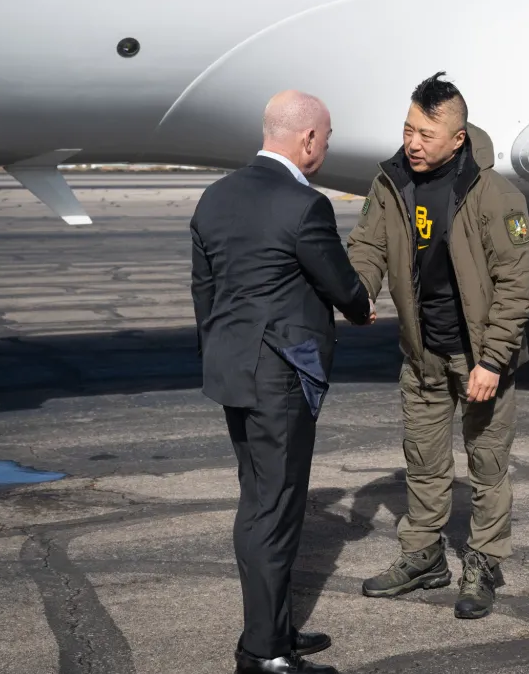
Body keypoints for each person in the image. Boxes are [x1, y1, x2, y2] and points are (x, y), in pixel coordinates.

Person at [191, 90, 373, 674]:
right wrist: (361, 305)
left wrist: (222, 352)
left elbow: (205, 293)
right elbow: (342, 286)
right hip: (281, 376)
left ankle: (274, 631)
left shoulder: (214, 198)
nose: (324, 149)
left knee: (258, 499)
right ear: (309, 140)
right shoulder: (304, 205)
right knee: (274, 508)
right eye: (326, 139)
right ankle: (264, 654)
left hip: (233, 371)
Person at [346, 71, 529, 619]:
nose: (412, 142)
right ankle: (423, 555)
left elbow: (518, 285)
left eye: (426, 134)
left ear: (457, 139)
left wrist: (494, 361)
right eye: (408, 129)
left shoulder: (494, 194)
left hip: (479, 358)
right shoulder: (391, 183)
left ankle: (483, 563)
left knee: (486, 464)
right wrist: (357, 292)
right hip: (423, 352)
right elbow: (367, 247)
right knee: (424, 463)